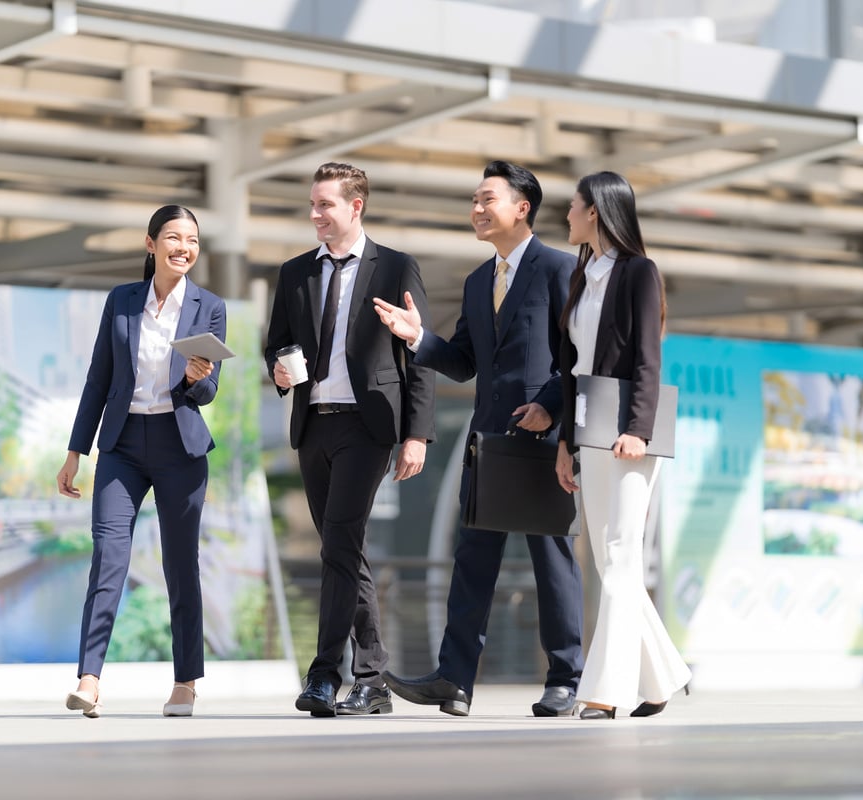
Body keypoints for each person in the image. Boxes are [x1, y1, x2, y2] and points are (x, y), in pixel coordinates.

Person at [372, 160, 584, 717]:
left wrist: (551, 408)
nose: (476, 209)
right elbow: (464, 364)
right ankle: (455, 679)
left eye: (487, 199)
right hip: (487, 441)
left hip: (542, 441)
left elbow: (580, 357)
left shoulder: (560, 270)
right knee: (472, 562)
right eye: (473, 200)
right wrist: (419, 337)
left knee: (552, 558)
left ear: (523, 207)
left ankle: (566, 676)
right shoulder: (475, 282)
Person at [264, 162, 436, 717]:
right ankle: (374, 680)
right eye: (312, 205)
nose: (315, 214)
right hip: (313, 423)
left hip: (368, 428)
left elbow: (420, 357)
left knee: (339, 542)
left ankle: (323, 675)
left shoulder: (396, 268)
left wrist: (417, 435)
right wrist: (280, 369)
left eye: (325, 205)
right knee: (344, 549)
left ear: (355, 206)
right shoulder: (294, 273)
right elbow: (278, 345)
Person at [58, 204, 226, 719]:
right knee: (108, 559)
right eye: (174, 237)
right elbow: (98, 379)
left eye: (193, 240)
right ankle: (89, 680)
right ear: (150, 244)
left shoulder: (210, 306)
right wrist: (75, 452)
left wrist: (199, 375)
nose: (184, 247)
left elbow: (210, 388)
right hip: (123, 446)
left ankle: (185, 684)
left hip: (180, 448)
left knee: (180, 567)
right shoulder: (122, 301)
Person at [554, 171, 691, 720]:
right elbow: (570, 367)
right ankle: (663, 676)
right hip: (589, 430)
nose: (566, 216)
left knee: (618, 554)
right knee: (612, 561)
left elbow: (646, 360)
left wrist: (637, 428)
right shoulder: (582, 274)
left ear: (596, 212)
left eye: (572, 207)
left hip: (631, 435)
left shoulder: (640, 272)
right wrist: (566, 442)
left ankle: (606, 690)